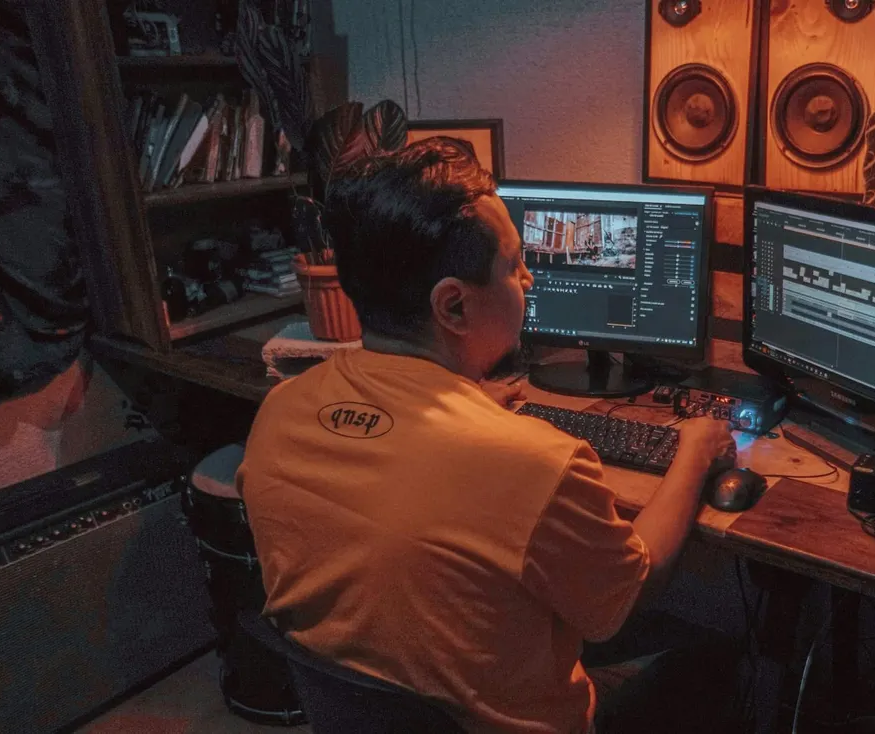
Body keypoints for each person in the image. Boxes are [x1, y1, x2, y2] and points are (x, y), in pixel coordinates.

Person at [236, 137, 739, 733]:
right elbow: (632, 592)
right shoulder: (536, 462)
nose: (528, 277)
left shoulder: (282, 410)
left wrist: (466, 402)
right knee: (716, 653)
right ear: (453, 306)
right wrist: (694, 452)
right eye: (513, 264)